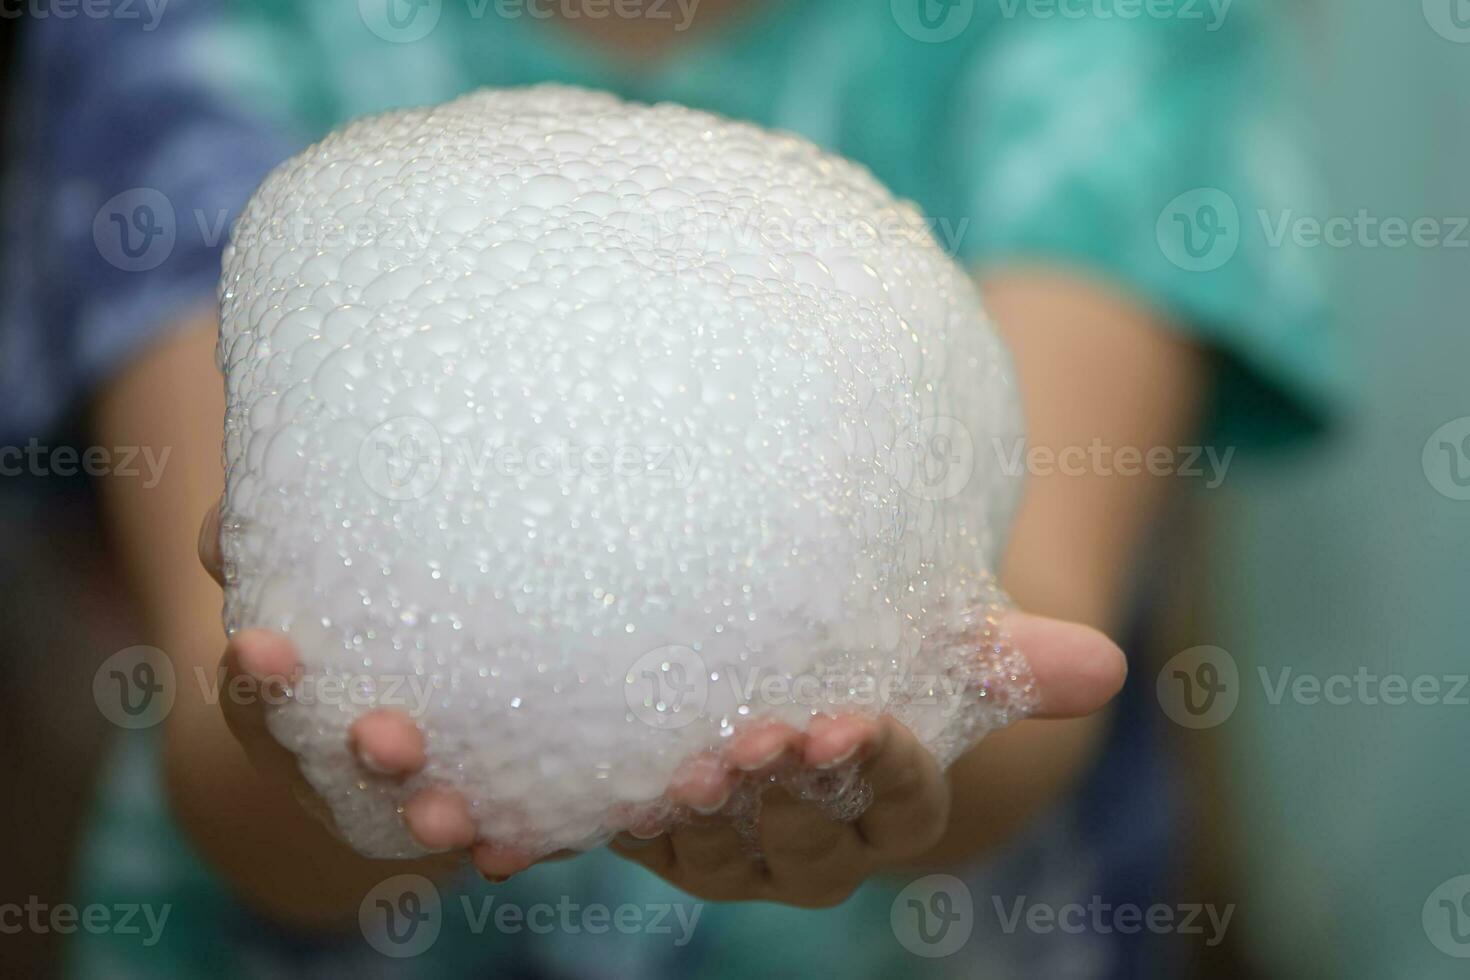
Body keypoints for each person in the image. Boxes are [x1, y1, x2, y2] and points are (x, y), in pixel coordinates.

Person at [0, 1, 1336, 976]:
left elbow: (1031, 636)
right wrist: (320, 776)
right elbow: (226, 720)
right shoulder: (182, 31)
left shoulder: (1105, 31)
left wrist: (926, 742)